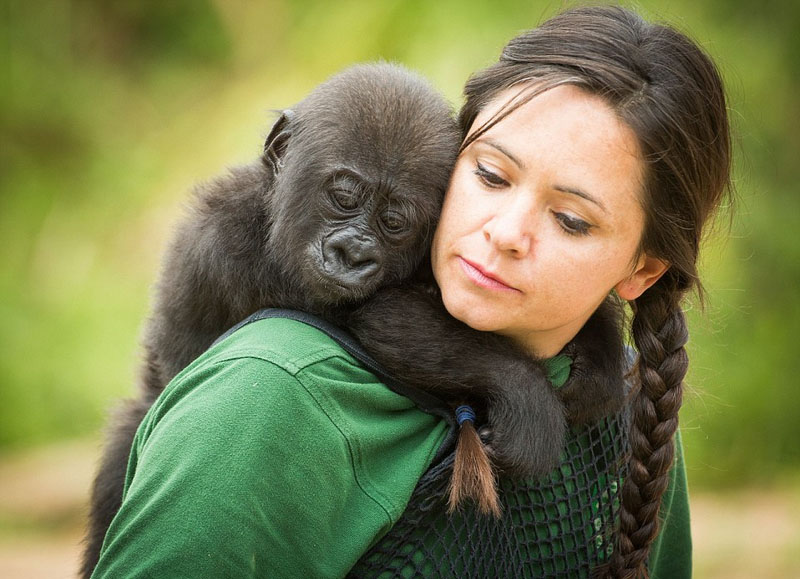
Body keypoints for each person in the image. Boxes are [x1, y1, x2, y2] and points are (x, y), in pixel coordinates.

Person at [90, 5, 731, 578]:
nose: (504, 234)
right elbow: (376, 319)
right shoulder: (270, 389)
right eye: (490, 175)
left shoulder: (632, 406)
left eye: (571, 220)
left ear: (641, 272)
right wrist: (513, 381)